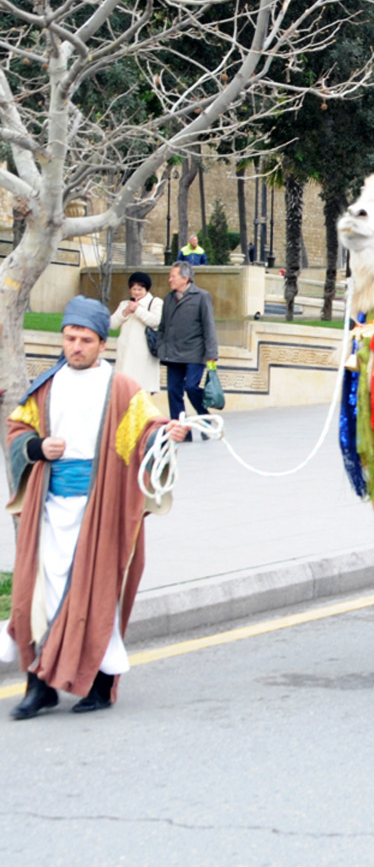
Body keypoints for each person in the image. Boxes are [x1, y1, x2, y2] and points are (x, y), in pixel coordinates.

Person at [3, 297, 188, 719]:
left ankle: (101, 684)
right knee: (38, 598)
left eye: (85, 340)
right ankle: (40, 686)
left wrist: (170, 436)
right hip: (50, 510)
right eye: (70, 338)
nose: (76, 347)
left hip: (99, 509)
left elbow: (147, 433)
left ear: (102, 343)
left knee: (97, 596)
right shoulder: (46, 386)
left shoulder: (120, 388)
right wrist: (36, 447)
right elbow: (17, 431)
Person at [158, 261, 219, 434]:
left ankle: (204, 417)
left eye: (173, 276)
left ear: (185, 278)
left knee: (192, 387)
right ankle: (181, 430)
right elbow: (163, 326)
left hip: (195, 353)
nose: (170, 280)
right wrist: (161, 346)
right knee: (173, 391)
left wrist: (212, 354)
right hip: (173, 355)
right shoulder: (169, 299)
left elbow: (209, 326)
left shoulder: (201, 296)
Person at [109, 271, 162, 393]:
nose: (137, 292)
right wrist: (126, 312)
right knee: (123, 389)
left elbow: (155, 321)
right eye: (134, 289)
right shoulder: (124, 304)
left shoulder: (156, 302)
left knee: (141, 389)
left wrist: (137, 310)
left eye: (140, 289)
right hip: (125, 353)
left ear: (146, 289)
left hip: (144, 354)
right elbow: (112, 324)